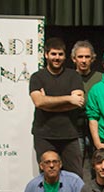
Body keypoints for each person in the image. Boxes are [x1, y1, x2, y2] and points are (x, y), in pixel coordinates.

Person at [29, 37, 85, 177]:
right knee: (48, 177)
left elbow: (77, 102)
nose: (57, 57)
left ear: (65, 56)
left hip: (69, 135)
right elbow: (38, 102)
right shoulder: (37, 77)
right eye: (53, 54)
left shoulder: (74, 76)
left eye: (60, 54)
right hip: (44, 135)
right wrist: (68, 99)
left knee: (75, 178)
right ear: (46, 55)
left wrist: (48, 102)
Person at [71, 40, 103, 167]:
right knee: (77, 165)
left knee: (98, 164)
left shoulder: (101, 78)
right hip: (75, 127)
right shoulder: (69, 77)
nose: (83, 60)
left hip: (97, 128)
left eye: (87, 57)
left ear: (92, 59)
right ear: (74, 59)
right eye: (80, 57)